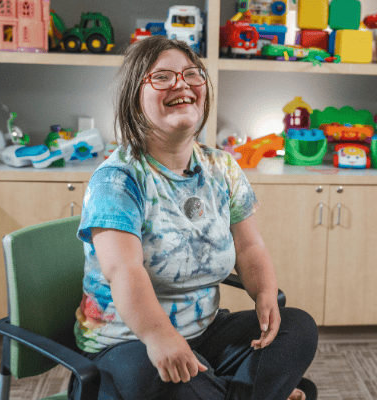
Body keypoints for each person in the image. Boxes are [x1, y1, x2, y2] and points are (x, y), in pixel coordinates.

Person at [68, 35, 318, 400]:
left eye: (191, 74)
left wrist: (264, 292)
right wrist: (159, 337)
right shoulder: (118, 179)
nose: (181, 84)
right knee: (168, 380)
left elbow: (250, 246)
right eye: (163, 77)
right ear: (134, 99)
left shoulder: (222, 167)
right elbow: (124, 270)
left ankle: (229, 390)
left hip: (204, 331)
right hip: (127, 342)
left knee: (298, 327)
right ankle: (258, 392)